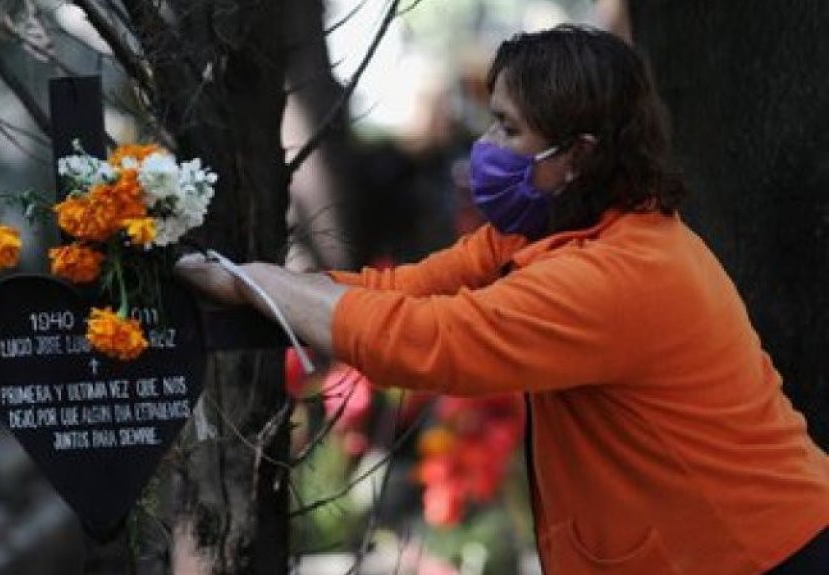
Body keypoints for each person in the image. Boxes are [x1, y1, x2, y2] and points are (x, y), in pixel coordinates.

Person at [176, 25, 829, 574]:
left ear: (574, 155)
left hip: (763, 553)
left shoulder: (617, 276)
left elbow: (428, 340)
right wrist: (263, 285)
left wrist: (251, 282)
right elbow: (400, 292)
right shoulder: (548, 226)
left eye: (508, 129)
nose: (484, 148)